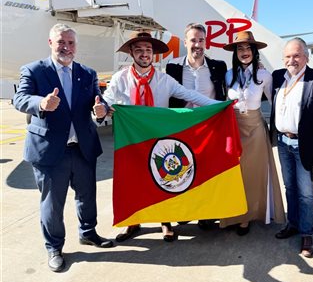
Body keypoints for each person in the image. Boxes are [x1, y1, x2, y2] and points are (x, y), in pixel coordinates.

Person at [13, 23, 113, 273]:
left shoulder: (87, 73)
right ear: (50, 43)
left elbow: (97, 101)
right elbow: (20, 99)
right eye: (61, 42)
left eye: (70, 43)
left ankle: (88, 233)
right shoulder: (34, 70)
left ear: (76, 46)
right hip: (49, 150)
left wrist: (101, 110)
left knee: (87, 196)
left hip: (82, 147)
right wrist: (41, 103)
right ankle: (54, 247)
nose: (66, 47)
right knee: (52, 204)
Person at [102, 30, 218, 242]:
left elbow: (191, 96)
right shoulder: (120, 78)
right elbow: (106, 101)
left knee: (162, 178)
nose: (144, 54)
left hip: (158, 139)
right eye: (139, 50)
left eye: (148, 50)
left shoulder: (164, 80)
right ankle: (132, 223)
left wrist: (222, 106)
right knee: (132, 181)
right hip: (131, 141)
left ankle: (165, 221)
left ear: (153, 54)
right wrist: (100, 109)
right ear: (131, 53)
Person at [220, 31, 285, 235]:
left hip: (255, 129)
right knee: (234, 175)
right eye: (240, 48)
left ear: (255, 51)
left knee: (252, 175)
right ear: (235, 52)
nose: (245, 52)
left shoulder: (265, 75)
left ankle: (247, 217)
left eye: (248, 48)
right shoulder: (229, 75)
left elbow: (277, 103)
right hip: (234, 129)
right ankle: (232, 213)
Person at [270, 38, 313, 258]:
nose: (291, 60)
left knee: (306, 192)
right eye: (287, 56)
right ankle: (292, 224)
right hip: (283, 143)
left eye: (296, 55)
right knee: (290, 187)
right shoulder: (278, 77)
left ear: (306, 56)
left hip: (305, 144)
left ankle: (307, 234)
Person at [166, 22, 227, 230]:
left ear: (206, 42)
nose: (197, 45)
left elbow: (226, 90)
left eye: (201, 40)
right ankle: (186, 211)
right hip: (182, 129)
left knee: (206, 172)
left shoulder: (218, 66)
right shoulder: (172, 67)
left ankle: (207, 214)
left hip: (208, 129)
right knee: (182, 171)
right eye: (193, 40)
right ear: (185, 42)